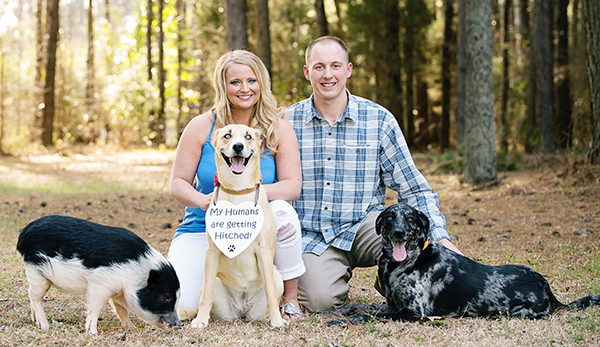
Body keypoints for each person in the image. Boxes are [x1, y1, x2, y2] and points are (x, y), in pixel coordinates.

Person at [285, 36, 463, 312]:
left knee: (421, 246)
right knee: (319, 301)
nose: (328, 74)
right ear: (307, 72)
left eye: (335, 65)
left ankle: (397, 281)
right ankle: (331, 277)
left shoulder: (378, 119)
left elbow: (414, 189)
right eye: (319, 67)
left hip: (367, 228)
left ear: (349, 69)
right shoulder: (287, 122)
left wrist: (441, 238)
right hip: (313, 235)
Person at [168, 50, 306, 322]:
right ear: (223, 85)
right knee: (183, 302)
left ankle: (289, 300)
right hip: (203, 229)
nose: (245, 89)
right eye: (235, 82)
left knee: (283, 213)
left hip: (257, 230)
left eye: (252, 81)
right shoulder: (202, 127)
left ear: (261, 84)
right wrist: (203, 200)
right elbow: (176, 183)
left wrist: (244, 196)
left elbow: (292, 185)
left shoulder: (277, 127)